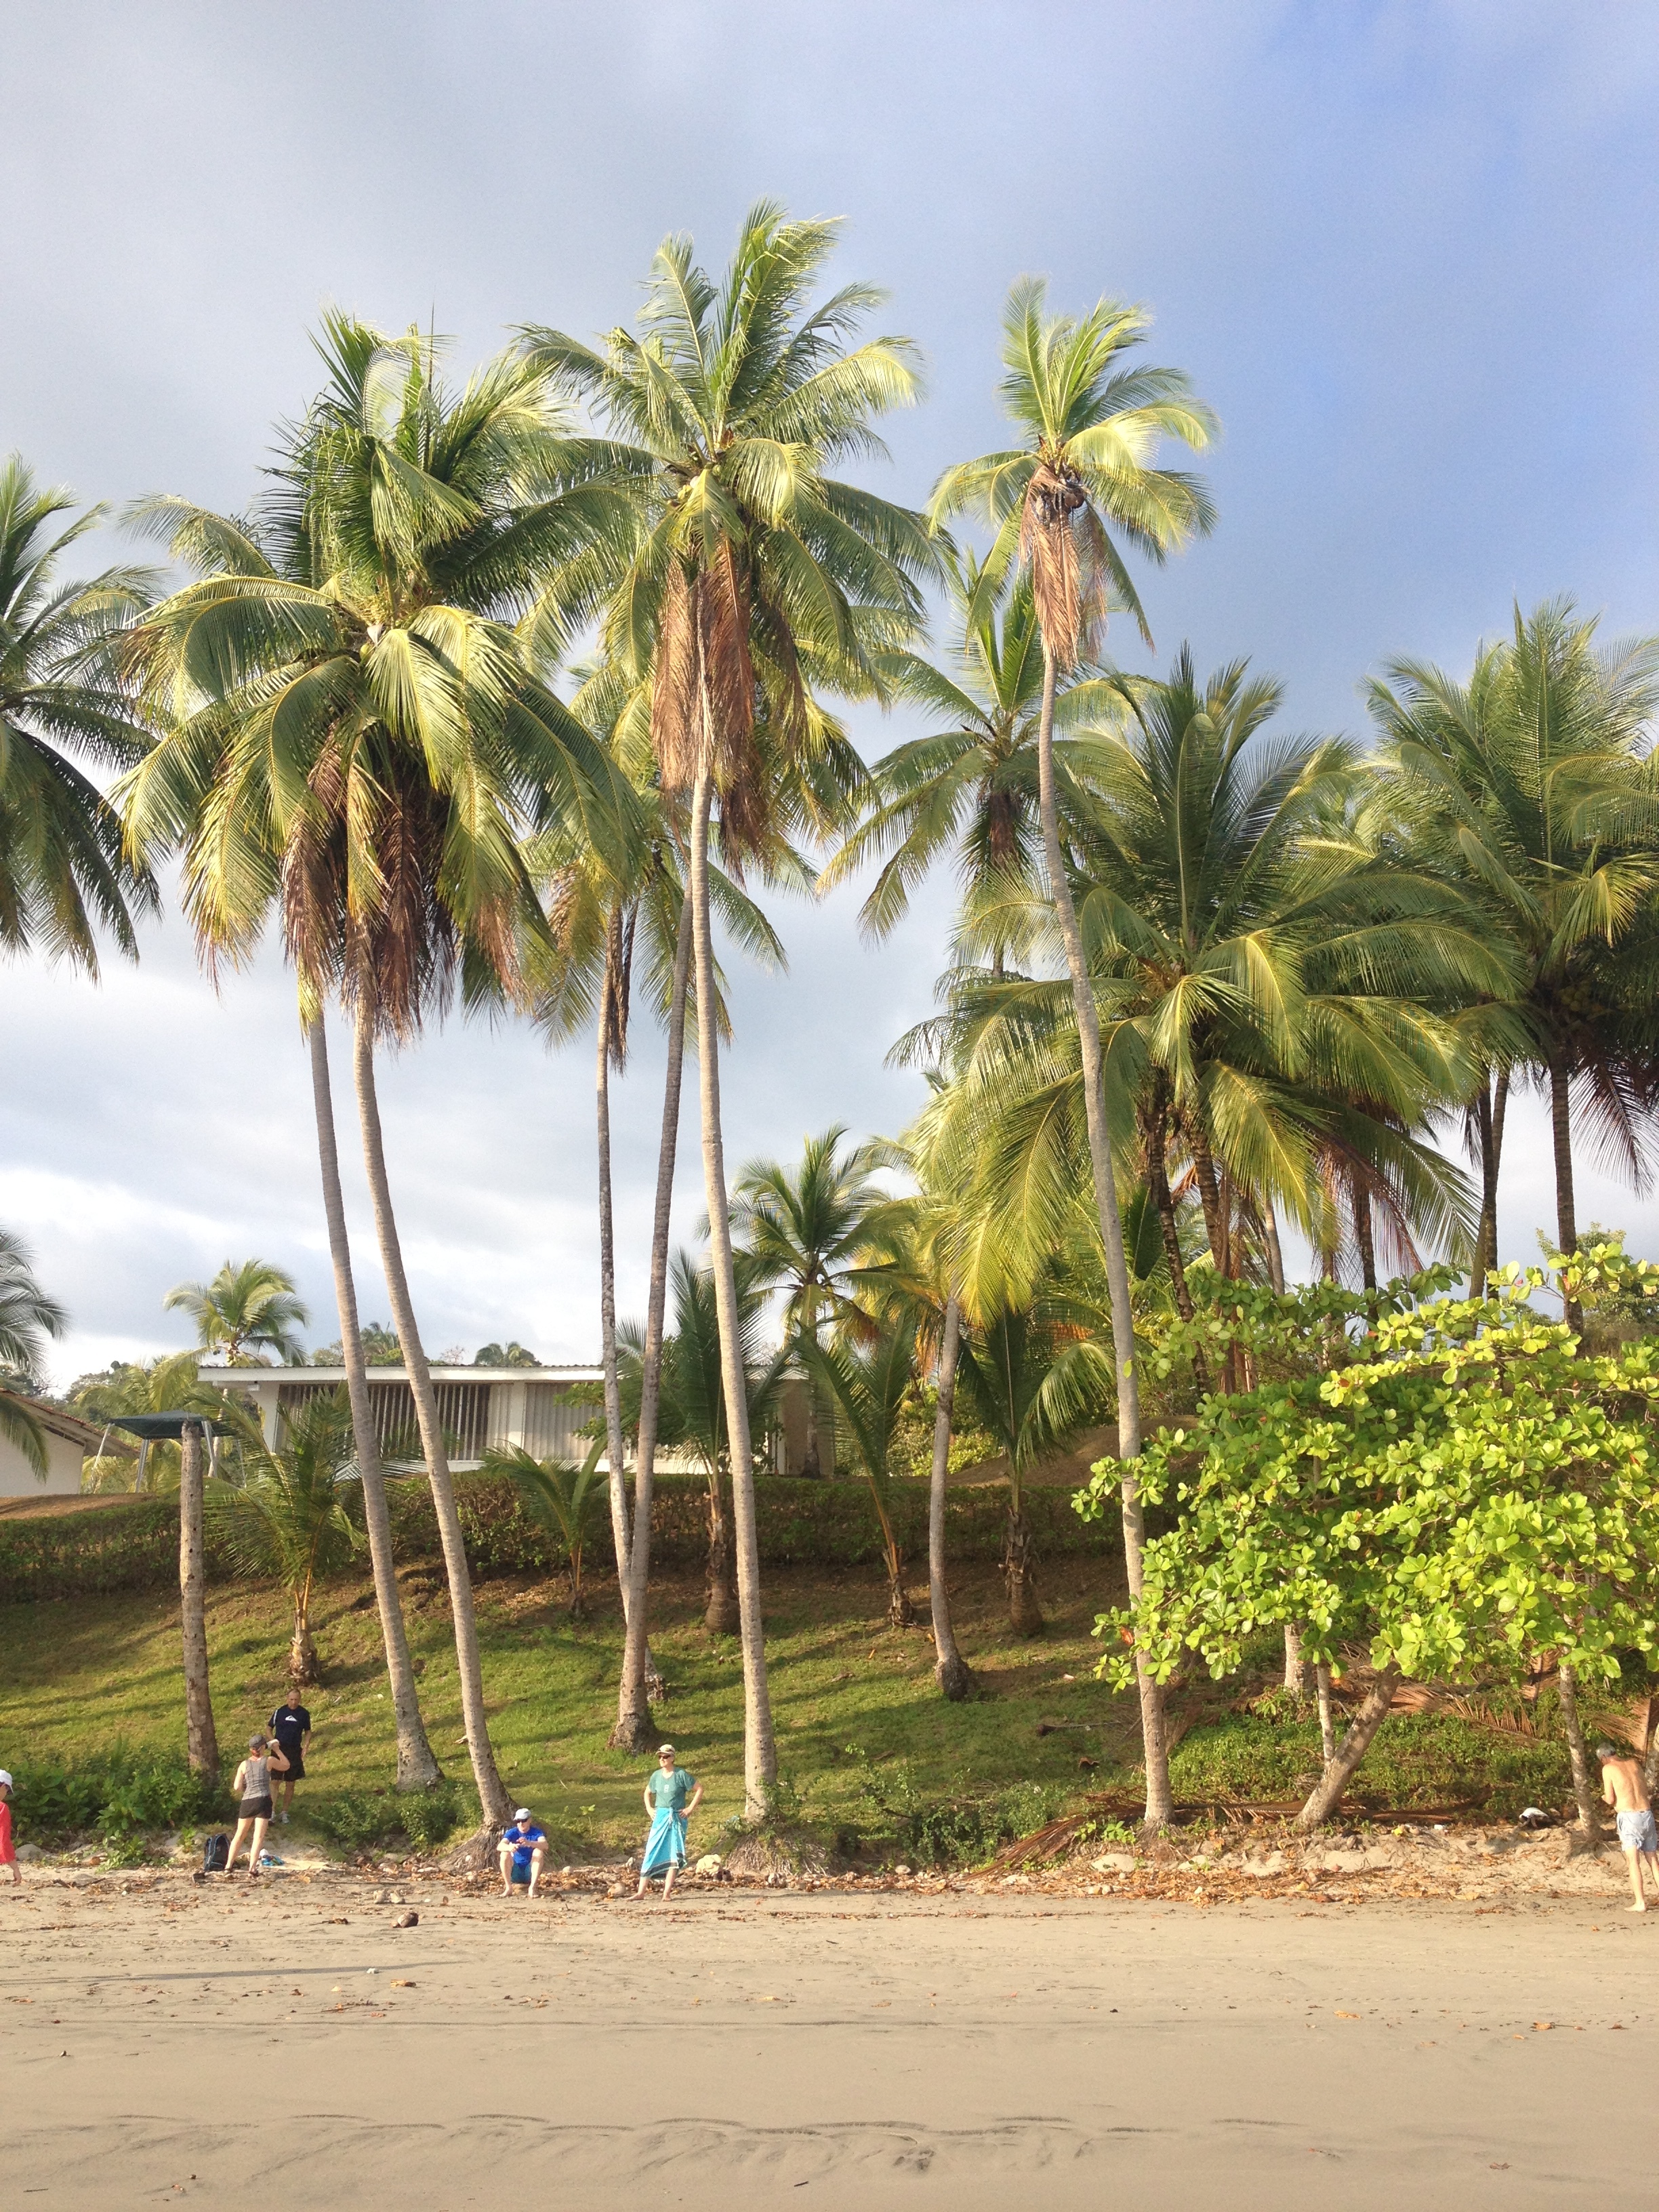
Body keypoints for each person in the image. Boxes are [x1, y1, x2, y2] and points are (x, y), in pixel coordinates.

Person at [1597, 1744, 1659, 1912]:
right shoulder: (1634, 1764)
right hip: (1646, 1814)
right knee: (1653, 1859)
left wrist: (1602, 1797)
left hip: (1630, 1816)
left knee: (1633, 1861)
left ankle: (1640, 1902)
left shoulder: (1608, 1769)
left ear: (1603, 1758)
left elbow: (1610, 1799)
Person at [636, 1744, 701, 1901]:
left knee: (673, 1853)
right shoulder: (656, 1776)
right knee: (651, 1850)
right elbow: (647, 1792)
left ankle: (666, 1893)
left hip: (676, 1818)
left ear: (672, 1758)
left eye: (665, 1757)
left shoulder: (681, 1774)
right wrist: (649, 1809)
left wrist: (690, 1808)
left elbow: (699, 1788)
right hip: (660, 1817)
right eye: (660, 1757)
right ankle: (640, 1892)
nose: (662, 1760)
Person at [225, 1734, 289, 1879]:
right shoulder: (269, 1760)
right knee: (258, 1836)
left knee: (239, 1835)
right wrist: (277, 1750)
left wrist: (247, 1788)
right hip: (263, 1799)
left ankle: (228, 1866)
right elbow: (286, 1765)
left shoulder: (243, 1764)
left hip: (247, 1801)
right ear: (263, 1747)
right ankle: (252, 1869)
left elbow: (236, 1787)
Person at [268, 1694, 312, 1824]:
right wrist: (273, 1741)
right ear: (287, 1699)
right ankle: (271, 1812)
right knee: (275, 1781)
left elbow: (308, 1731)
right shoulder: (280, 1712)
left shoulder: (304, 1714)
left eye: (296, 1700)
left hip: (294, 1751)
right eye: (291, 1699)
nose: (293, 1702)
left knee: (290, 1782)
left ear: (300, 1700)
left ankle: (284, 1813)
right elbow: (269, 1728)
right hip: (279, 1750)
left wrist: (306, 1745)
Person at [498, 1808, 548, 1900]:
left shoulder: (536, 1832)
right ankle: (508, 1888)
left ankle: (532, 1887)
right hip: (515, 1870)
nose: (521, 1823)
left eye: (524, 1820)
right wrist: (509, 1848)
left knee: (539, 1852)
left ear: (529, 1820)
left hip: (530, 1871)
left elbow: (545, 1845)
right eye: (518, 1821)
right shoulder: (513, 1832)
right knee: (504, 1854)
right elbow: (500, 1846)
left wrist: (530, 1843)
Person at [0, 1771, 18, 1887]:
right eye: (7, 1790)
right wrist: (16, 1869)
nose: (6, 1794)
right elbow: (3, 1841)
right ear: (2, 1786)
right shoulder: (2, 1808)